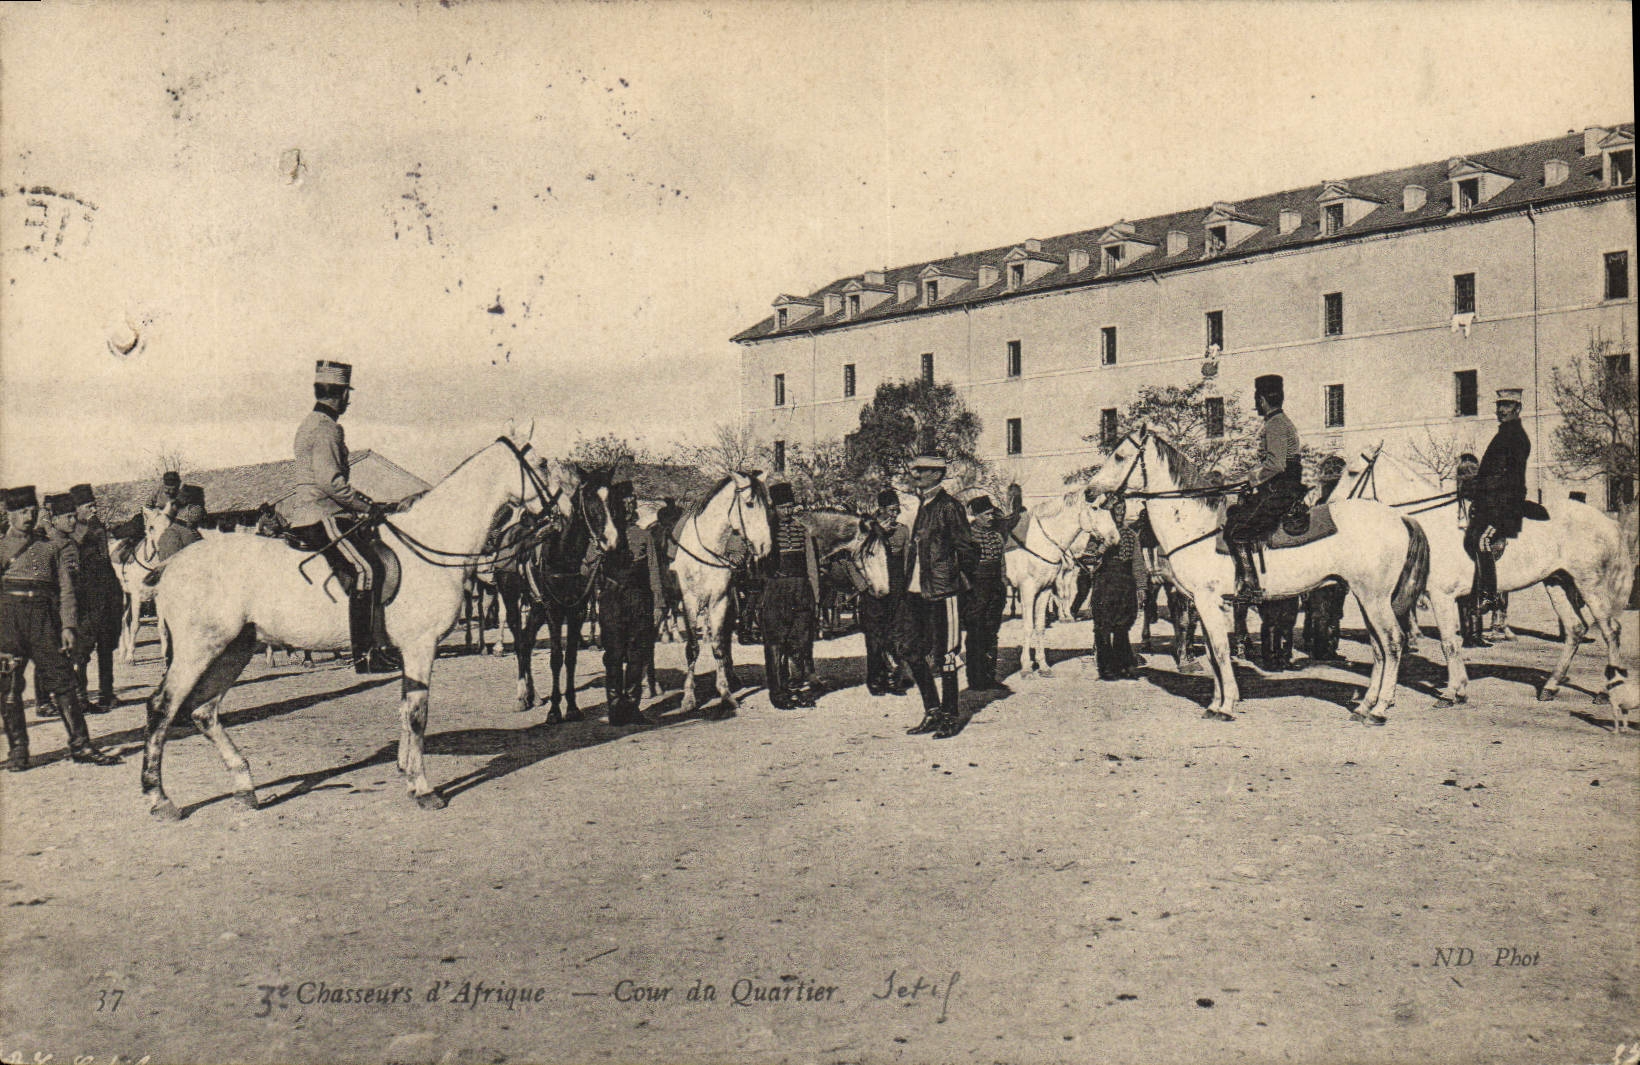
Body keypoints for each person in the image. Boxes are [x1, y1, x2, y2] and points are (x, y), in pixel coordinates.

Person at [279, 359, 401, 674]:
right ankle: (364, 655)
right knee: (366, 569)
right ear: (340, 394)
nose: (348, 400)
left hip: (319, 512)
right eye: (347, 393)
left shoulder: (313, 423)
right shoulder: (326, 428)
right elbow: (331, 483)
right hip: (320, 515)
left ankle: (379, 644)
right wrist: (367, 506)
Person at [0, 486, 121, 769]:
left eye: (31, 511)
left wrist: (68, 626)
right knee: (9, 686)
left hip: (44, 622)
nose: (27, 517)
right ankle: (18, 751)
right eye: (20, 512)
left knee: (64, 683)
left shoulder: (49, 548)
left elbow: (66, 591)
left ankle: (81, 744)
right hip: (8, 622)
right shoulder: (2, 548)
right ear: (9, 514)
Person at [902, 453, 977, 739]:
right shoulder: (923, 505)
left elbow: (967, 549)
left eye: (920, 471)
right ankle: (932, 710)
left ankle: (950, 716)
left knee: (947, 656)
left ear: (936, 474)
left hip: (943, 591)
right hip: (917, 592)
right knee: (911, 650)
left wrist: (962, 584)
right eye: (915, 470)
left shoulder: (950, 507)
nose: (915, 475)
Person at [1224, 373, 1305, 601]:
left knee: (1236, 529)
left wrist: (1252, 479)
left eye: (1257, 400)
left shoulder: (1275, 424)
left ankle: (1250, 586)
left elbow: (1276, 465)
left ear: (1261, 400)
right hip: (1283, 486)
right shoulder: (1281, 421)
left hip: (1281, 488)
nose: (1256, 404)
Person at [595, 481, 664, 725]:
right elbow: (586, 568)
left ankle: (632, 706)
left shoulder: (643, 535)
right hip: (612, 599)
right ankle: (615, 707)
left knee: (639, 653)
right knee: (613, 654)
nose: (629, 504)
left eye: (631, 500)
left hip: (639, 599)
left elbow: (654, 570)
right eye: (624, 500)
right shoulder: (603, 535)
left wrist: (658, 604)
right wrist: (596, 552)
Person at [1465, 388, 1531, 612]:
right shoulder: (1503, 435)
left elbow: (1511, 479)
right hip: (1491, 504)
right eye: (1499, 406)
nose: (1501, 410)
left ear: (1518, 408)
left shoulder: (1516, 438)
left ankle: (1489, 595)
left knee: (1482, 540)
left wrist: (1491, 501)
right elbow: (1489, 475)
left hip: (1505, 507)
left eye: (1507, 406)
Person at [760, 481, 821, 709]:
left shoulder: (801, 530)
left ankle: (796, 686)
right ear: (773, 508)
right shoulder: (765, 531)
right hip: (776, 588)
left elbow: (811, 565)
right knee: (776, 642)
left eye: (790, 506)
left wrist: (814, 593)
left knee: (801, 640)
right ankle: (778, 693)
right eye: (782, 507)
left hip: (801, 588)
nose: (787, 511)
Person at [851, 488, 912, 696]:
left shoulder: (903, 531)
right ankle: (875, 679)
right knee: (875, 637)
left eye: (897, 511)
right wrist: (863, 586)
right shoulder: (866, 529)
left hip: (895, 589)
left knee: (894, 635)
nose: (894, 515)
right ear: (881, 509)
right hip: (873, 589)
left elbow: (906, 563)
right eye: (891, 511)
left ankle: (894, 678)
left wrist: (905, 589)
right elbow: (852, 559)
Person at [68, 483, 123, 711]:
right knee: (81, 652)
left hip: (107, 599)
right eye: (89, 506)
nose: (94, 510)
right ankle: (80, 698)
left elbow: (106, 564)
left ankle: (106, 694)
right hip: (86, 603)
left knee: (106, 648)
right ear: (77, 509)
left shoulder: (97, 528)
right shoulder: (74, 534)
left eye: (94, 505)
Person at [1303, 455, 1350, 663]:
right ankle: (1323, 649)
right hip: (1327, 567)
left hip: (1333, 568)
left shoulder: (1325, 506)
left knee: (1329, 611)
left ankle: (1322, 645)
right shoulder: (1325, 508)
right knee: (1324, 611)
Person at [1089, 497, 1142, 680]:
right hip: (1105, 583)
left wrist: (1141, 586)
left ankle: (1122, 665)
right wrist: (1101, 549)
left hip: (1125, 584)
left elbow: (1137, 562)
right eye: (1116, 509)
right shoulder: (1098, 535)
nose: (1120, 512)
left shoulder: (1130, 535)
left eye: (1122, 508)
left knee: (1122, 626)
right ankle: (1106, 668)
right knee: (1103, 626)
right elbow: (1089, 561)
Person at [961, 496, 1008, 690]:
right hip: (976, 589)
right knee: (976, 632)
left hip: (995, 588)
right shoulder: (968, 536)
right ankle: (976, 679)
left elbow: (1002, 562)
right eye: (987, 514)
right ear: (977, 516)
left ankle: (990, 676)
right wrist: (968, 589)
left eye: (991, 514)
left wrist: (1003, 583)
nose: (990, 518)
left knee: (992, 631)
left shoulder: (996, 536)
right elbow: (962, 566)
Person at [154, 484, 205, 562]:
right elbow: (168, 568)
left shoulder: (194, 533)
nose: (201, 511)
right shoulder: (172, 534)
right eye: (198, 507)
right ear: (188, 508)